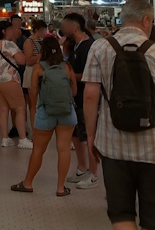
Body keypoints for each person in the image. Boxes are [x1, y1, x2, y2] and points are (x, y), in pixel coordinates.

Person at [83, 0, 155, 230]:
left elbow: (90, 96)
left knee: (121, 215)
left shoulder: (100, 48)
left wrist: (91, 136)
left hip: (113, 147)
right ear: (146, 20)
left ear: (123, 19)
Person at [11, 35, 77, 196]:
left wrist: (38, 106)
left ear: (43, 50)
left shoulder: (39, 68)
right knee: (64, 149)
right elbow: (74, 91)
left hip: (46, 112)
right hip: (66, 113)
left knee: (38, 150)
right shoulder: (67, 66)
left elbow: (33, 93)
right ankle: (61, 188)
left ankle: (27, 184)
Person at [61, 13, 99, 189]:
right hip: (75, 97)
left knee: (89, 135)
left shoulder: (89, 46)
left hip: (86, 98)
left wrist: (68, 75)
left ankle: (93, 173)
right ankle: (81, 168)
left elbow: (88, 75)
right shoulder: (75, 45)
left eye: (65, 25)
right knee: (76, 134)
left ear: (74, 27)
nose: (63, 29)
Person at [0, 20, 32, 149]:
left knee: (3, 109)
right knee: (20, 108)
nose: (13, 31)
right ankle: (23, 139)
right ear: (4, 31)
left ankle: (5, 138)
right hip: (10, 79)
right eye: (10, 29)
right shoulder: (10, 44)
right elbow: (22, 61)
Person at [23, 19, 48, 124]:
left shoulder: (42, 41)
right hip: (31, 72)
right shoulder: (29, 42)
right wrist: (40, 56)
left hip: (41, 71)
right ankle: (34, 127)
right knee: (33, 104)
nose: (44, 32)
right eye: (43, 30)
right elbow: (28, 60)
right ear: (37, 30)